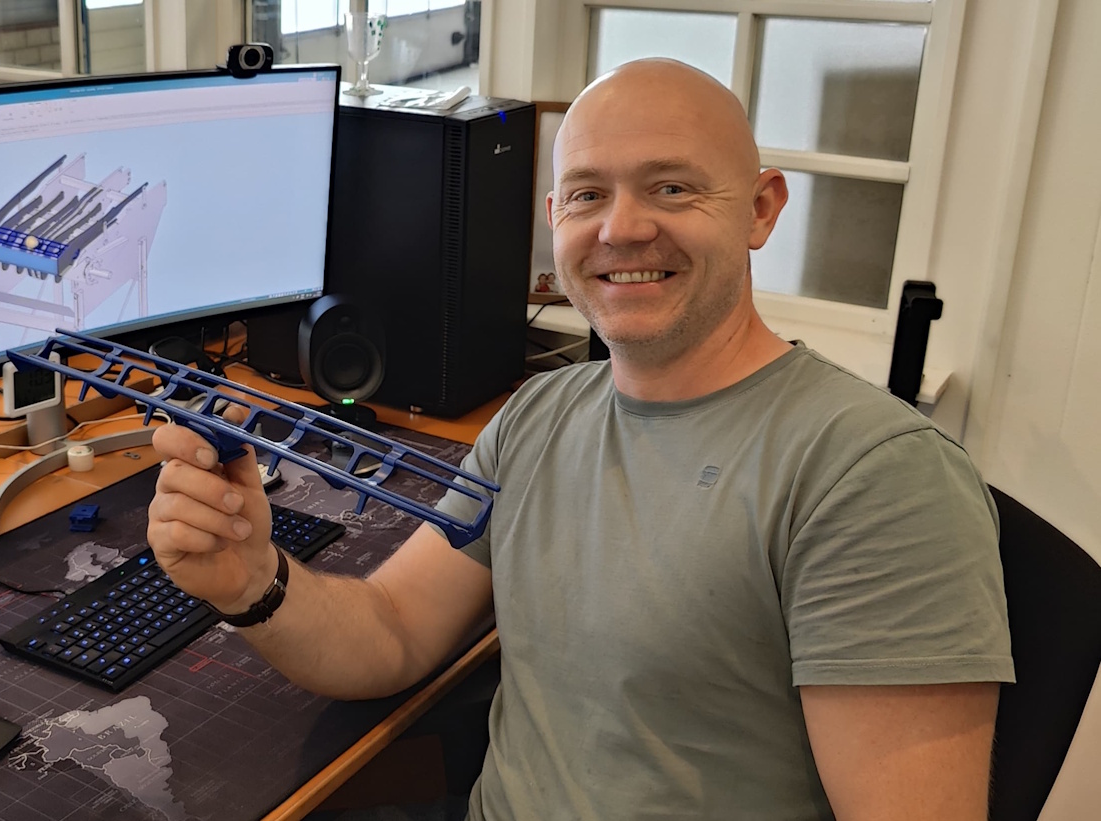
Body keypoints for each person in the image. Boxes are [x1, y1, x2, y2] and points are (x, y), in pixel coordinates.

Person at [147, 59, 1012, 820]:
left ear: (760, 209)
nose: (621, 229)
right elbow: (395, 630)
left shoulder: (873, 478)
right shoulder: (539, 416)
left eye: (671, 188)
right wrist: (254, 579)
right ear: (555, 217)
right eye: (589, 194)